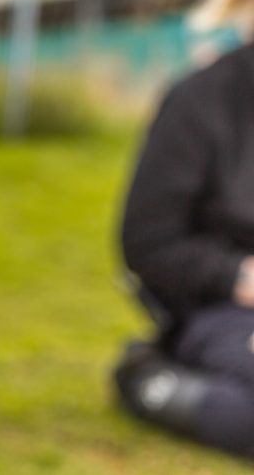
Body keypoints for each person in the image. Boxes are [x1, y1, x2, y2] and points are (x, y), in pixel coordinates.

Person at [115, 40, 254, 457]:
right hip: (225, 306)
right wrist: (238, 276)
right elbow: (149, 240)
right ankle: (149, 380)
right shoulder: (203, 98)